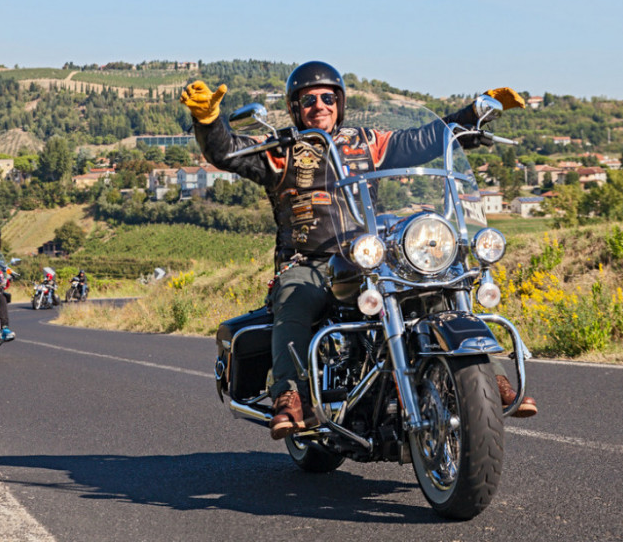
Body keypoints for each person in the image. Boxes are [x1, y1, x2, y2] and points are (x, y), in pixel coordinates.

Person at [181, 61, 537, 440]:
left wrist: (474, 114)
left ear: (340, 102)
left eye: (327, 97)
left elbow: (422, 140)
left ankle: (482, 376)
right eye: (309, 99)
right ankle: (290, 394)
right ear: (294, 107)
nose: (319, 105)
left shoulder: (368, 142)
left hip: (369, 255)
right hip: (310, 261)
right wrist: (208, 121)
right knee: (294, 298)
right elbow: (227, 151)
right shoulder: (280, 150)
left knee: (434, 283)